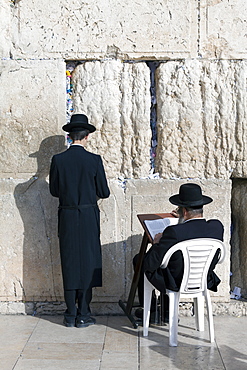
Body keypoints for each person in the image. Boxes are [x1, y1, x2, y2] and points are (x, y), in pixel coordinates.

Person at [49, 114, 110, 328]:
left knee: (69, 261)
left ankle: (70, 313)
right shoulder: (94, 160)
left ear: (69, 135)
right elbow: (104, 191)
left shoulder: (58, 160)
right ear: (87, 136)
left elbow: (54, 190)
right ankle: (84, 312)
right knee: (88, 261)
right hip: (87, 216)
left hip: (66, 215)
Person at [134, 183, 224, 321]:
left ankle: (151, 311)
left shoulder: (174, 232)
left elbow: (150, 263)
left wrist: (158, 241)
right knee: (171, 262)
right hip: (202, 279)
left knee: (140, 260)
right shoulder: (217, 227)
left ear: (185, 212)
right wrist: (182, 222)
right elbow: (193, 231)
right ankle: (166, 311)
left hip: (176, 282)